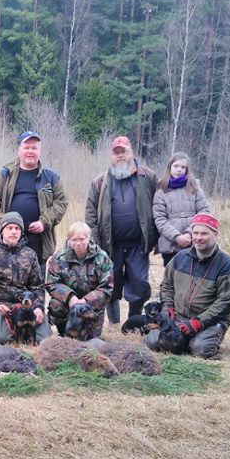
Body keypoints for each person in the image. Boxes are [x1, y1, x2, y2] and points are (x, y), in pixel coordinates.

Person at [85, 135, 158, 324]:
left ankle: (133, 320)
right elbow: (90, 214)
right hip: (111, 245)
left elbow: (159, 206)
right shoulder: (99, 181)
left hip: (138, 244)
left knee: (140, 285)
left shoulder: (148, 177)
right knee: (111, 284)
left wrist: (156, 239)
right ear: (111, 156)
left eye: (123, 151)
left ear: (131, 152)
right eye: (116, 152)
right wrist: (96, 243)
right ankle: (114, 323)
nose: (120, 156)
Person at [145, 213, 230, 359]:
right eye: (195, 233)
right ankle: (182, 340)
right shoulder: (180, 257)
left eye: (204, 233)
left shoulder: (228, 266)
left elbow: (226, 301)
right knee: (152, 342)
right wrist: (168, 308)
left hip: (209, 321)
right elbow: (166, 285)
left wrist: (198, 322)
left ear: (215, 235)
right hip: (179, 317)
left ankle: (204, 338)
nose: (198, 237)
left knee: (199, 349)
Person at [0, 130, 68, 267]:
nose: (30, 151)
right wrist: (4, 224)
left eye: (34, 148)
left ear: (40, 151)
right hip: (8, 240)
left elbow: (61, 203)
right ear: (19, 150)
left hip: (38, 239)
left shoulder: (51, 177)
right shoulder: (6, 173)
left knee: (36, 277)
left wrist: (44, 222)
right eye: (26, 147)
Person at [0, 211, 52, 344]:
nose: (13, 232)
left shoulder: (30, 254)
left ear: (21, 232)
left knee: (44, 339)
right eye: (9, 228)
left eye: (17, 228)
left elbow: (37, 287)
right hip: (1, 307)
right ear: (2, 231)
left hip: (26, 306)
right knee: (0, 338)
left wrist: (38, 307)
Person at [46, 221, 114, 339]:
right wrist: (70, 297)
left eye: (82, 239)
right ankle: (64, 332)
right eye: (74, 240)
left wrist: (86, 300)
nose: (78, 243)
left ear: (89, 238)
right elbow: (52, 283)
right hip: (68, 305)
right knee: (55, 304)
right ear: (69, 240)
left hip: (91, 307)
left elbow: (107, 288)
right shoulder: (59, 258)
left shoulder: (102, 258)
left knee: (91, 341)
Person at [152, 151, 211, 266]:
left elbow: (203, 212)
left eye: (183, 167)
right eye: (176, 166)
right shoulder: (161, 190)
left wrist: (189, 234)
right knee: (172, 275)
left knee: (194, 274)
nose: (179, 169)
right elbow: (159, 219)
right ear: (170, 167)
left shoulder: (195, 187)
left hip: (194, 243)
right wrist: (177, 237)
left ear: (187, 170)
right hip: (170, 246)